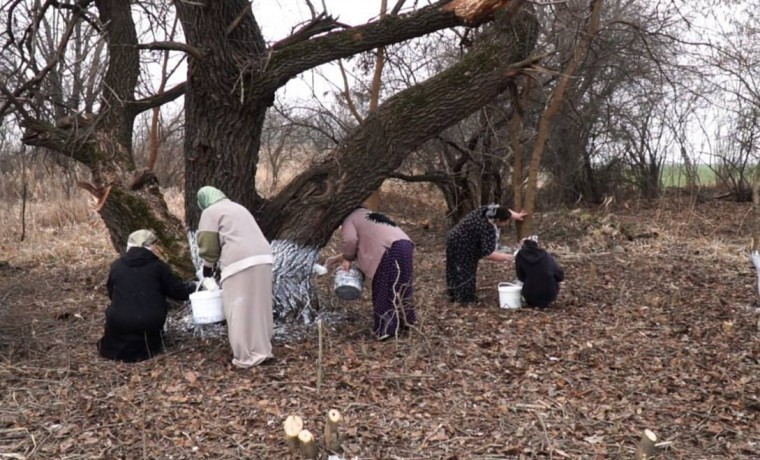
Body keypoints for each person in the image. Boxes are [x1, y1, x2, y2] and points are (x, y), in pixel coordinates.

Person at [196, 186, 274, 368]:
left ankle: (245, 356)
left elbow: (208, 246)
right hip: (264, 257)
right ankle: (263, 349)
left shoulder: (210, 212)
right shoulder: (238, 207)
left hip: (239, 260)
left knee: (237, 307)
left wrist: (207, 268)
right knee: (260, 306)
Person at [98, 229, 195, 363]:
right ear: (150, 246)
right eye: (155, 244)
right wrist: (196, 287)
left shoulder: (116, 266)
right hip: (149, 322)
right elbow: (177, 291)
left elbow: (111, 294)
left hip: (119, 321)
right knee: (146, 339)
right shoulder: (159, 266)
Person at [326, 207, 416, 341]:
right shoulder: (366, 214)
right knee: (402, 285)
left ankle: (386, 329)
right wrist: (336, 259)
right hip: (405, 245)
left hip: (389, 249)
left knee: (383, 288)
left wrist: (347, 259)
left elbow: (350, 240)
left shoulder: (349, 219)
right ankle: (406, 322)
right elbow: (368, 242)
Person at [446, 204, 527, 304]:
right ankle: (465, 299)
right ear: (497, 220)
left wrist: (516, 215)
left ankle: (453, 293)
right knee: (465, 271)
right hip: (462, 245)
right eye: (505, 221)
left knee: (454, 268)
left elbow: (501, 209)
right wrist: (507, 257)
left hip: (454, 237)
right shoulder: (486, 228)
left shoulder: (488, 210)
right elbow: (488, 254)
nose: (506, 224)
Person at [515, 238, 564, 308]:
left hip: (529, 294)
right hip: (549, 294)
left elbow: (520, 276)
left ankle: (532, 300)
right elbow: (560, 276)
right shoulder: (545, 255)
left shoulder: (520, 256)